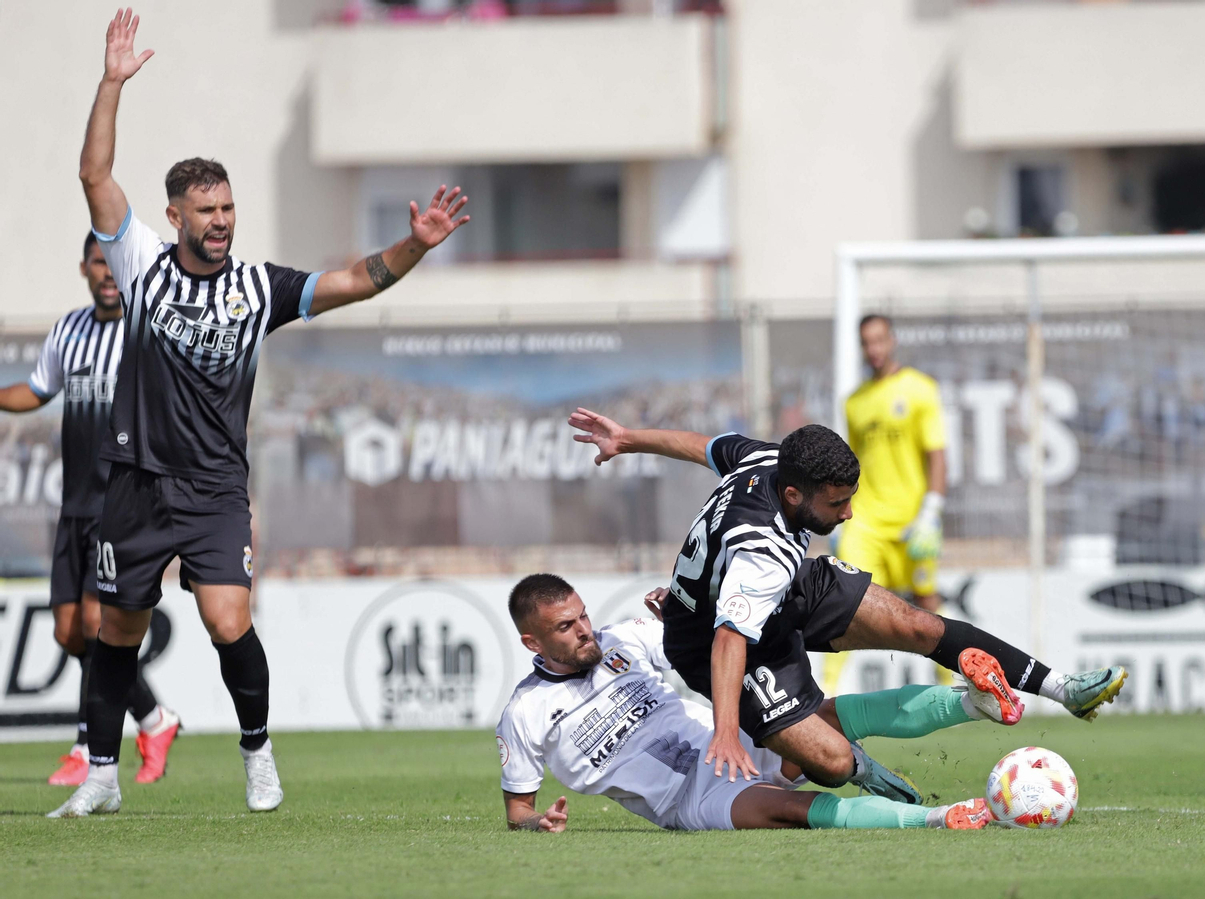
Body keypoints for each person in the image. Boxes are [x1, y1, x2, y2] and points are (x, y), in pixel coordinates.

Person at [50, 8, 470, 818]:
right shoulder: (138, 264)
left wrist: (414, 244)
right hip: (135, 481)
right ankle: (101, 772)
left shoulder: (257, 288)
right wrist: (111, 84)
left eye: (229, 209)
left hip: (212, 486)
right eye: (206, 211)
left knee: (226, 619)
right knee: (115, 632)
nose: (221, 222)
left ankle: (257, 752)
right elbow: (95, 176)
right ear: (174, 217)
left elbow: (353, 281)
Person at [567, 408, 1126, 796]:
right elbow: (729, 638)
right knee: (827, 759)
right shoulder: (763, 553)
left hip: (782, 593)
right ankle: (865, 766)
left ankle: (1062, 690)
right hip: (712, 639)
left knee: (915, 624)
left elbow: (702, 446)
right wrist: (725, 730)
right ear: (794, 495)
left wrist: (629, 439)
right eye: (836, 503)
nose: (849, 514)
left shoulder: (767, 458)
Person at [496, 574, 994, 832]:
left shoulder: (623, 639)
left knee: (824, 719)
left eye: (582, 616)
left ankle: (975, 703)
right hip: (691, 799)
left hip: (732, 742)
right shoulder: (525, 712)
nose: (584, 631)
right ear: (532, 643)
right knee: (793, 811)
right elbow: (518, 810)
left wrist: (684, 615)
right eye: (566, 627)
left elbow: (714, 644)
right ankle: (938, 818)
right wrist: (537, 823)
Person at [0, 234, 179, 786]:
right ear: (84, 267)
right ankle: (153, 716)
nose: (106, 273)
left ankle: (86, 744)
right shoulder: (68, 331)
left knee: (100, 624)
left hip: (120, 504)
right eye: (97, 263)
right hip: (74, 506)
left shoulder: (147, 330)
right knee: (69, 633)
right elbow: (36, 390)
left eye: (113, 263)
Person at [826, 313, 950, 695]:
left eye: (880, 340)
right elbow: (852, 466)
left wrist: (931, 512)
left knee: (926, 600)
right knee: (843, 600)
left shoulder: (921, 389)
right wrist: (838, 518)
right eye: (867, 342)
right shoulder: (855, 402)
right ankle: (825, 689)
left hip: (914, 519)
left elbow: (937, 455)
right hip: (867, 521)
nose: (874, 349)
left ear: (892, 340)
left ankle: (958, 685)